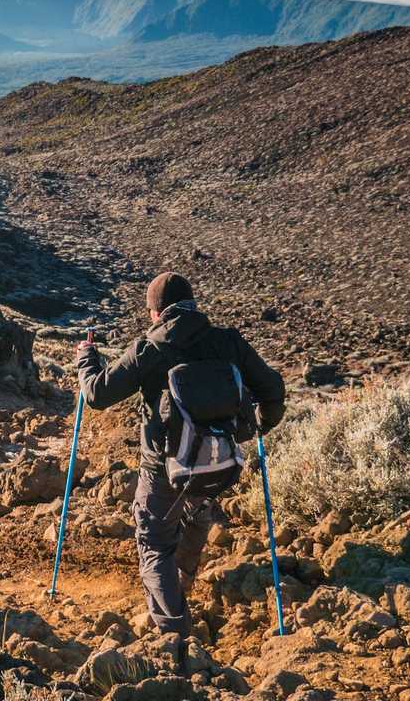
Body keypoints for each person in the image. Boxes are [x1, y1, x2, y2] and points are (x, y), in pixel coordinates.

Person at [75, 271, 285, 669]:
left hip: (163, 468)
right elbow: (273, 390)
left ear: (155, 312)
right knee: (196, 516)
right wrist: (256, 426)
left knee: (154, 542)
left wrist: (86, 358)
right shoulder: (228, 342)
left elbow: (97, 394)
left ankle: (174, 637)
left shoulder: (148, 349)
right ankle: (182, 581)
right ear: (192, 304)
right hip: (217, 462)